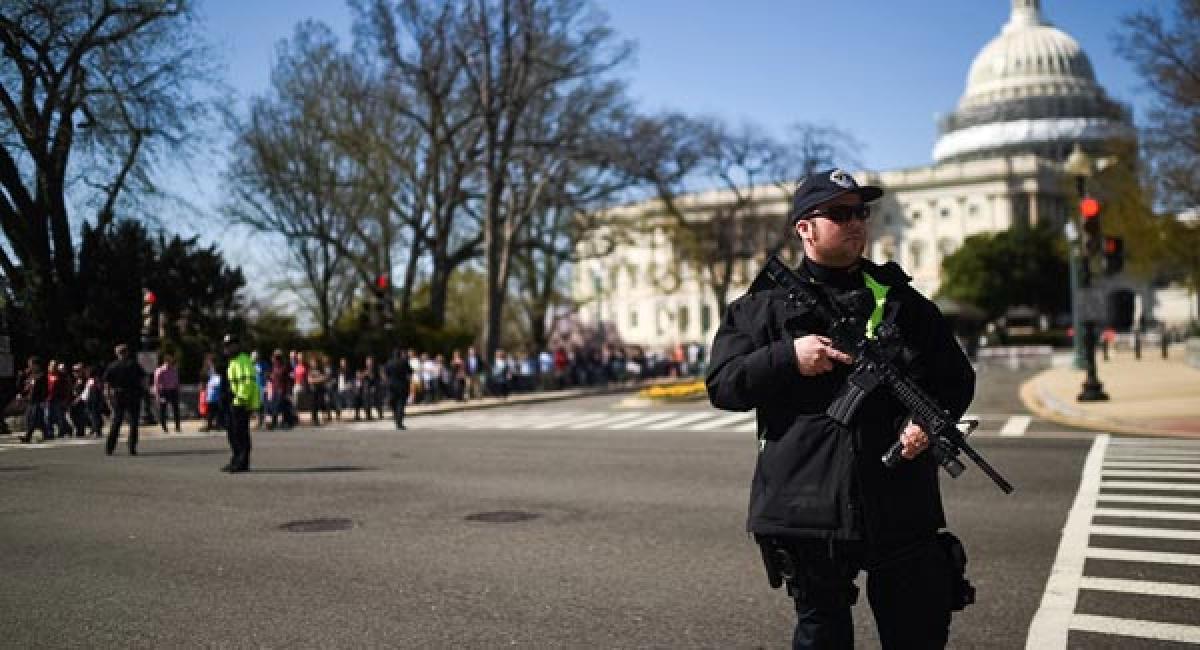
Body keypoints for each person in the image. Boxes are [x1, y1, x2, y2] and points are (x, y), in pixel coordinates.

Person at [706, 168, 976, 649]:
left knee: (917, 631)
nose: (855, 222)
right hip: (808, 504)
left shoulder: (902, 302)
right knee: (822, 634)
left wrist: (925, 423)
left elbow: (955, 379)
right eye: (839, 213)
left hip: (900, 499)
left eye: (861, 212)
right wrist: (787, 357)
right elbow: (723, 385)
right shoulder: (761, 307)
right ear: (805, 228)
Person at [221, 334, 260, 473]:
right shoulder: (233, 361)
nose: (227, 348)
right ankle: (236, 459)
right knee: (232, 432)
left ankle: (242, 462)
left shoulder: (243, 360)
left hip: (241, 402)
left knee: (240, 433)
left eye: (230, 345)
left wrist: (240, 400)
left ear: (237, 346)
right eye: (226, 345)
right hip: (235, 400)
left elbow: (247, 382)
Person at [103, 344, 147, 456]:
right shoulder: (134, 364)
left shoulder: (112, 366)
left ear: (117, 353)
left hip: (119, 395)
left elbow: (107, 383)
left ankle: (110, 447)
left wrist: (108, 396)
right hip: (133, 394)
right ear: (127, 352)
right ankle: (132, 447)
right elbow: (143, 379)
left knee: (116, 421)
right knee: (133, 422)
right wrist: (143, 391)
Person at [384, 348, 413, 430]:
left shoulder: (389, 363)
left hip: (392, 386)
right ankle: (399, 423)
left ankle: (396, 420)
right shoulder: (404, 362)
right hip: (402, 385)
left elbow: (385, 374)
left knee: (394, 403)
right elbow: (410, 372)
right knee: (400, 404)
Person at [154, 353, 182, 433]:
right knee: (163, 410)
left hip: (173, 391)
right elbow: (156, 383)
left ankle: (177, 427)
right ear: (165, 362)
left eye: (171, 361)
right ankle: (164, 427)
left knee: (176, 409)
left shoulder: (174, 370)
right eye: (168, 361)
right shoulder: (160, 370)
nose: (170, 363)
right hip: (163, 391)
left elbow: (177, 381)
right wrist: (157, 395)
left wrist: (177, 390)